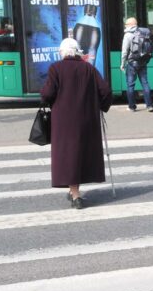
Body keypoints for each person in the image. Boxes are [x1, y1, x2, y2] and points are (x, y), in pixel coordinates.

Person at [40, 38, 112, 210]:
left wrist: (44, 96)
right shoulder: (89, 68)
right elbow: (105, 91)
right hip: (88, 119)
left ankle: (76, 195)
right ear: (77, 51)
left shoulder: (56, 68)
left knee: (68, 155)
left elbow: (48, 93)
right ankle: (74, 190)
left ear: (63, 53)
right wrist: (102, 106)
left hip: (63, 121)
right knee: (82, 154)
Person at [120, 17, 153, 112]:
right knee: (145, 83)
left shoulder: (128, 35)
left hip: (132, 63)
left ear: (131, 25)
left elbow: (124, 52)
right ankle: (149, 106)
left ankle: (132, 106)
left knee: (130, 85)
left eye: (126, 24)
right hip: (143, 62)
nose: (125, 26)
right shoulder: (144, 33)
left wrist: (122, 64)